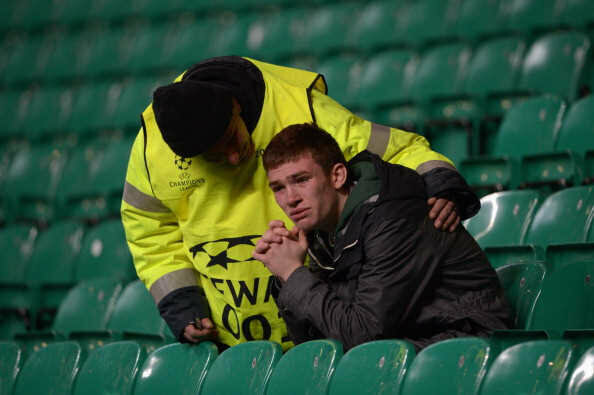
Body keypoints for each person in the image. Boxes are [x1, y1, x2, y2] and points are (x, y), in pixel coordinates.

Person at [121, 55, 480, 350]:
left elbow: (396, 150)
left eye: (232, 139)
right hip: (231, 342)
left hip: (322, 319)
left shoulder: (297, 105)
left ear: (236, 108)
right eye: (214, 157)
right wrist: (182, 304)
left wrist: (439, 181)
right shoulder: (154, 147)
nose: (233, 158)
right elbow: (149, 233)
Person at [253, 123, 511, 351]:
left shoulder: (394, 217)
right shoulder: (320, 233)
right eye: (278, 188)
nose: (290, 199)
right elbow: (312, 342)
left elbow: (363, 334)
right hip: (407, 342)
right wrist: (285, 277)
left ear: (338, 176)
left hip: (469, 341)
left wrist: (294, 275)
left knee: (360, 364)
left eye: (301, 180)